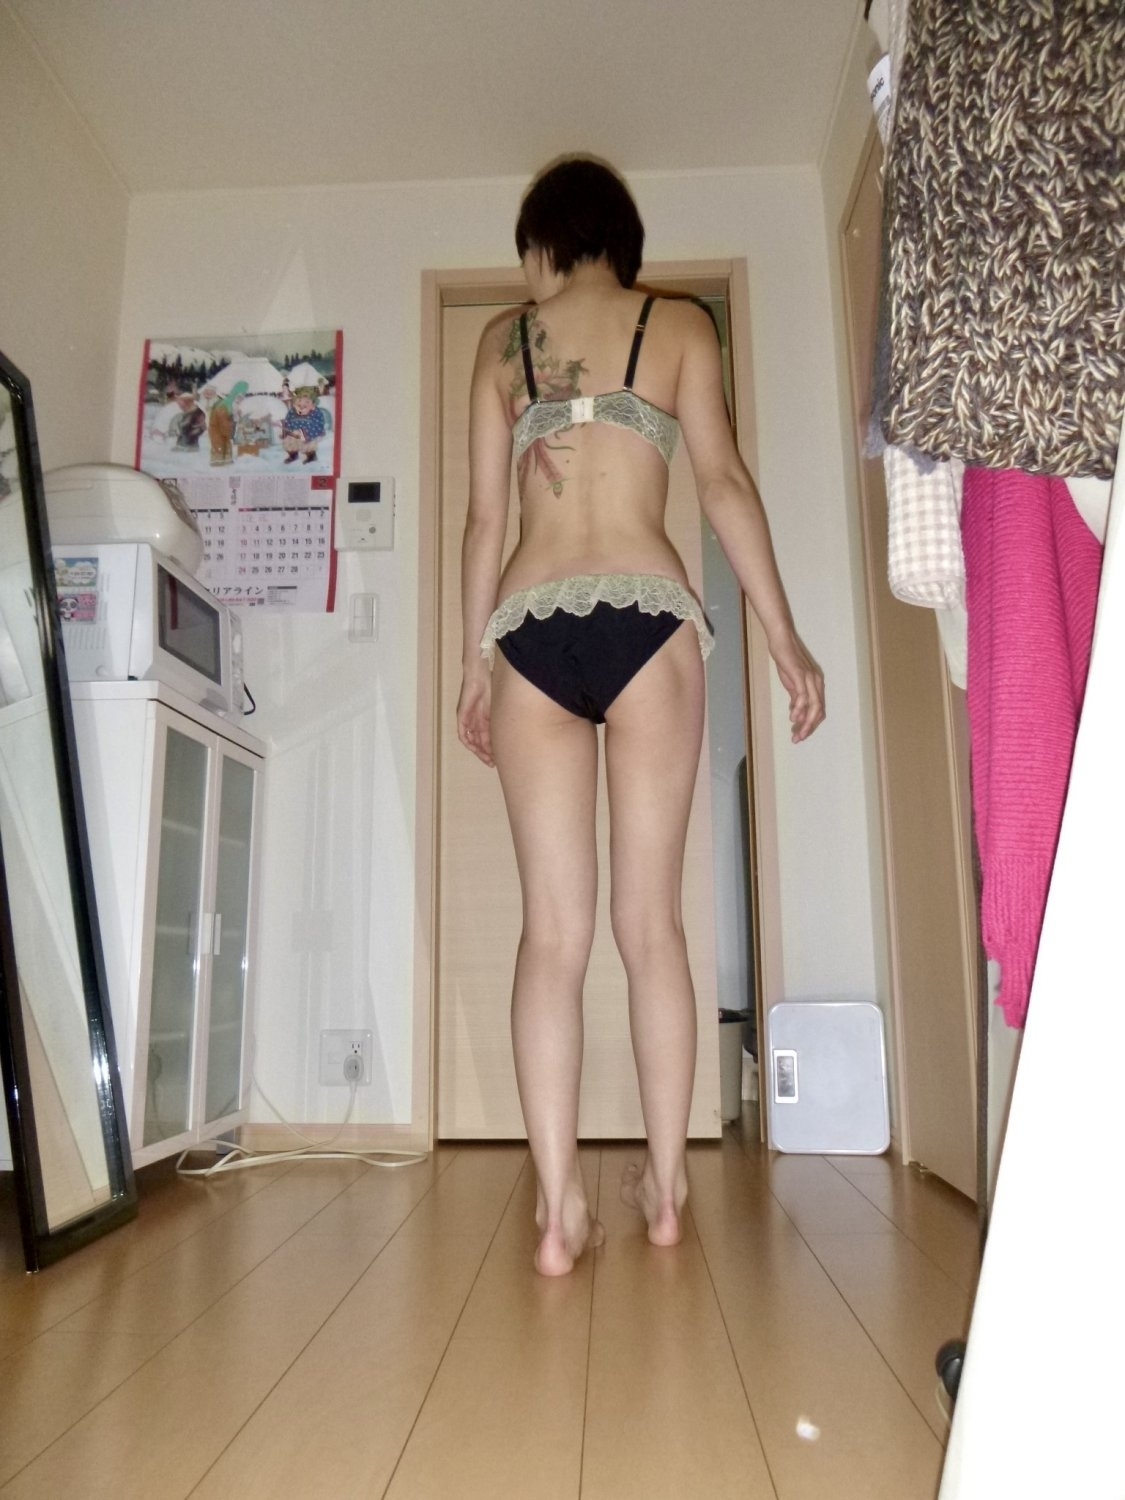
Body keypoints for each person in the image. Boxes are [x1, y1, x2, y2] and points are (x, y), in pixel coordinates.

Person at [457, 155, 824, 1277]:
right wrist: (780, 633)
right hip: (650, 617)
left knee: (551, 936)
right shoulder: (680, 325)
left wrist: (474, 666)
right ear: (623, 242)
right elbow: (723, 485)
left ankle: (559, 1213)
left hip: (529, 625)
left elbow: (483, 523)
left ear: (543, 243)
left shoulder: (501, 343)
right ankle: (665, 1192)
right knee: (651, 926)